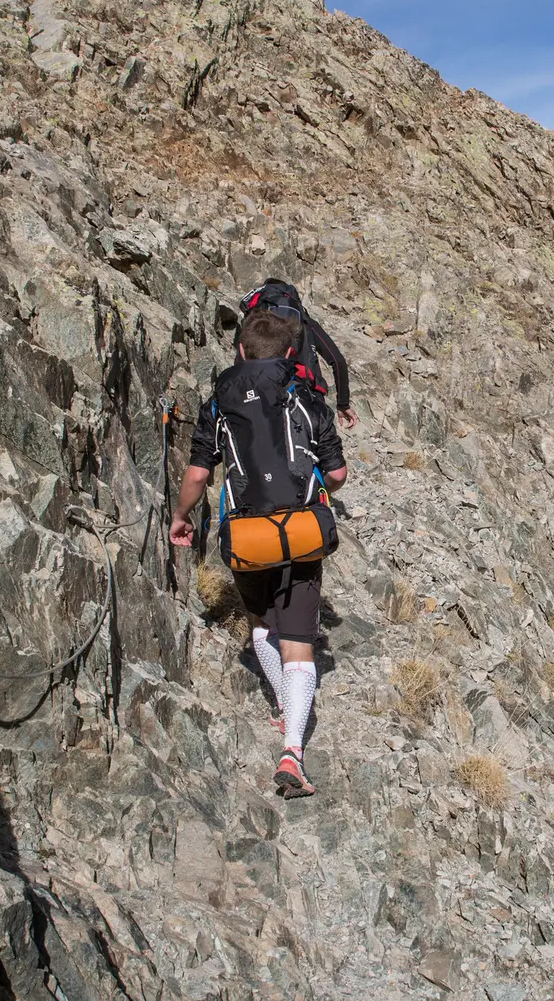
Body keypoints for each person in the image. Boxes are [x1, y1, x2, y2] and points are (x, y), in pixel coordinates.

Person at [170, 308, 348, 798]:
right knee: (299, 641)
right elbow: (336, 476)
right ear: (292, 353)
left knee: (263, 627)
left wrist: (181, 518)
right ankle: (293, 749)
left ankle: (282, 706)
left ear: (241, 350)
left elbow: (198, 476)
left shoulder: (217, 403)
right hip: (302, 533)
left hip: (247, 536)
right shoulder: (307, 400)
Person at [239, 279, 359, 429]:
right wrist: (343, 403)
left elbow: (241, 367)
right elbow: (337, 360)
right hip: (309, 400)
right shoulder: (306, 323)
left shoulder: (255, 325)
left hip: (264, 401)